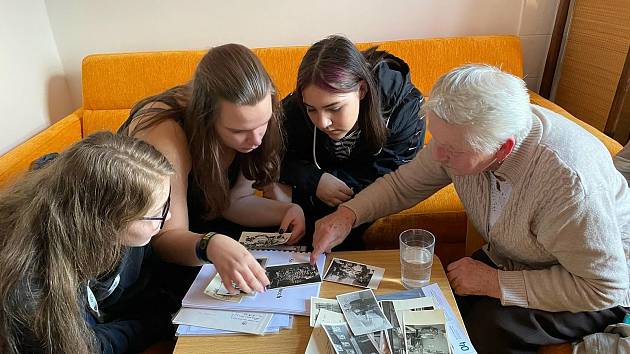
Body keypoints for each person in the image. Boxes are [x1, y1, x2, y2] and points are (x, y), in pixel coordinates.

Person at [312, 64, 630, 353]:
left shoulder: (568, 185)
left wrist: (495, 283)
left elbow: (605, 287)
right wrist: (347, 215)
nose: (438, 156)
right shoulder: (464, 142)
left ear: (502, 148)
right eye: (437, 141)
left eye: (450, 150)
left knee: (489, 328)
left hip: (595, 283)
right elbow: (403, 184)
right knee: (432, 304)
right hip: (523, 258)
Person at [119, 43, 305, 294]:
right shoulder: (167, 133)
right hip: (148, 243)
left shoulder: (254, 129)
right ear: (206, 118)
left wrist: (285, 210)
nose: (256, 140)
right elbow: (164, 239)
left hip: (202, 229)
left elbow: (234, 201)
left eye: (263, 123)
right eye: (238, 131)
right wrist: (209, 244)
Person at [0, 132, 177, 354]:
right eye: (156, 213)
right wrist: (156, 324)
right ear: (105, 221)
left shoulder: (74, 198)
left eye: (167, 203)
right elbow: (82, 348)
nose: (168, 217)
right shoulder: (32, 291)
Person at [266, 35, 425, 249]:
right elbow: (266, 154)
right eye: (311, 109)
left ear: (361, 90)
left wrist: (306, 190)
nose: (323, 122)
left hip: (369, 194)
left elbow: (391, 182)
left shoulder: (405, 108)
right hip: (318, 188)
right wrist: (313, 179)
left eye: (334, 108)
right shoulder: (296, 107)